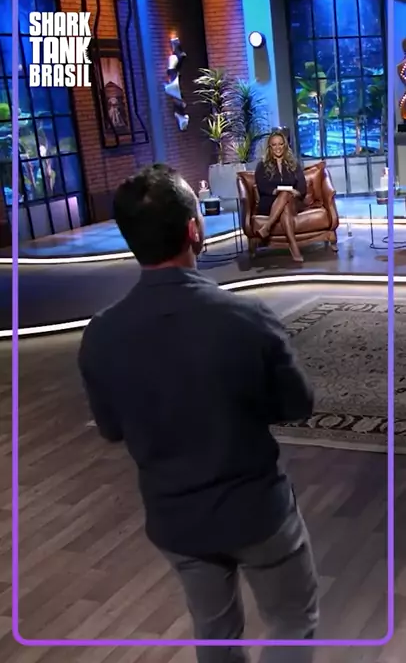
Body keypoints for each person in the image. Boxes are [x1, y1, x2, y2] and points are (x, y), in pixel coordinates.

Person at [78, 163, 319, 663]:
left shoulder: (101, 335)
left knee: (215, 634)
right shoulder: (247, 319)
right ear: (194, 230)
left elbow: (112, 429)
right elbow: (298, 405)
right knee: (293, 622)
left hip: (177, 522)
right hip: (259, 514)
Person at [255, 131, 307, 263]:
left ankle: (267, 227)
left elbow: (302, 187)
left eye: (280, 144)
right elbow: (261, 186)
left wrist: (295, 192)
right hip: (270, 202)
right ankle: (293, 246)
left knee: (286, 197)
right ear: (270, 147)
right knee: (284, 202)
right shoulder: (262, 165)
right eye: (274, 145)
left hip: (293, 201)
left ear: (285, 145)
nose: (277, 147)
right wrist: (275, 191)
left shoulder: (294, 164)